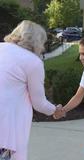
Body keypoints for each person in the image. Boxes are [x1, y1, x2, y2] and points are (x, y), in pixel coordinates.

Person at [0, 20, 61, 160]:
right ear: (37, 42)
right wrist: (54, 110)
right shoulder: (33, 62)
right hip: (5, 129)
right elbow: (39, 103)